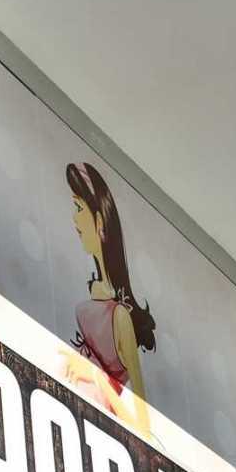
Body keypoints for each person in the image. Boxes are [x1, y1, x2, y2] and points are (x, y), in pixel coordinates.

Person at [66, 162, 159, 430]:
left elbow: (143, 426)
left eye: (79, 208)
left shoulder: (119, 317)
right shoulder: (94, 294)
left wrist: (95, 376)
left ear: (99, 222)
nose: (74, 219)